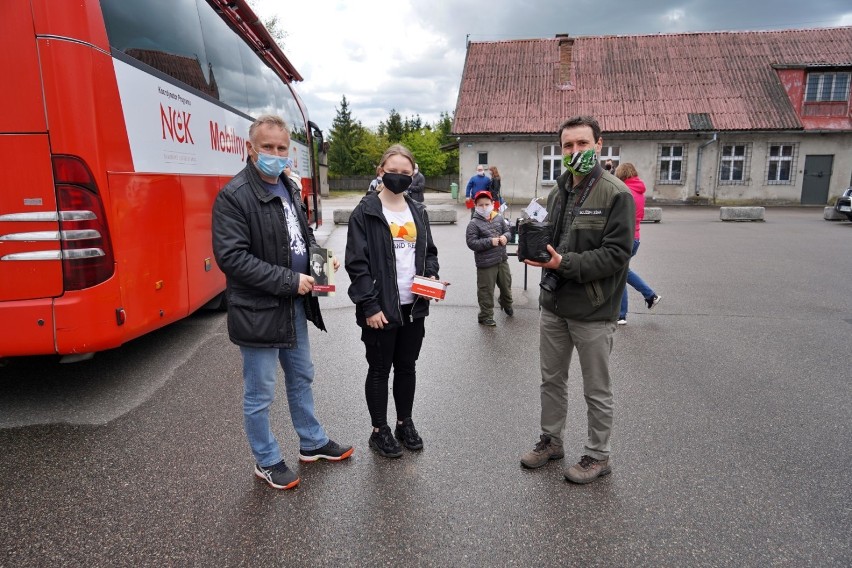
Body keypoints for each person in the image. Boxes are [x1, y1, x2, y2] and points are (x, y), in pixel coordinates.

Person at [212, 114, 353, 491]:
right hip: (259, 311)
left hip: (294, 304)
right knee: (260, 392)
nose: (275, 154)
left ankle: (312, 442)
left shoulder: (289, 188)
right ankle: (267, 459)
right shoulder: (234, 196)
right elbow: (233, 259)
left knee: (302, 376)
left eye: (281, 148)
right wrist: (291, 280)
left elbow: (300, 238)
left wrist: (321, 261)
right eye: (267, 147)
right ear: (251, 149)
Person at [520, 115, 634, 485]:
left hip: (593, 309)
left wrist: (562, 262)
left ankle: (599, 455)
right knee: (551, 380)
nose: (574, 151)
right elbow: (551, 236)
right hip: (554, 305)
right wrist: (531, 245)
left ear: (599, 145)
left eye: (582, 144)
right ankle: (552, 440)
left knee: (596, 388)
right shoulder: (558, 191)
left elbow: (617, 254)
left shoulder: (616, 194)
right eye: (568, 145)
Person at [345, 144, 441, 459]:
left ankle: (404, 423)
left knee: (406, 367)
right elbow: (356, 263)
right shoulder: (366, 210)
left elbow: (428, 253)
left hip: (413, 306)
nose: (399, 177)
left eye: (405, 173)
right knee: (379, 368)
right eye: (393, 171)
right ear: (381, 171)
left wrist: (431, 278)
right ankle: (379, 430)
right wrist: (369, 306)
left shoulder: (418, 210)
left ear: (413, 175)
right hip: (380, 307)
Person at [615, 163, 661, 325]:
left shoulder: (626, 192)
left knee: (620, 274)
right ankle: (649, 296)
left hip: (625, 238)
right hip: (635, 237)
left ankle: (622, 314)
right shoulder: (638, 190)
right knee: (623, 271)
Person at [465, 190, 513, 326]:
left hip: (502, 260)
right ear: (475, 205)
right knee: (486, 290)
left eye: (487, 204)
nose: (484, 207)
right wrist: (489, 242)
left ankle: (506, 303)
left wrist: (506, 237)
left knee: (506, 286)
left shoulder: (498, 217)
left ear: (493, 203)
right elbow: (471, 243)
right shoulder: (473, 223)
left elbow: (508, 231)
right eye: (481, 205)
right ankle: (485, 316)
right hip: (486, 264)